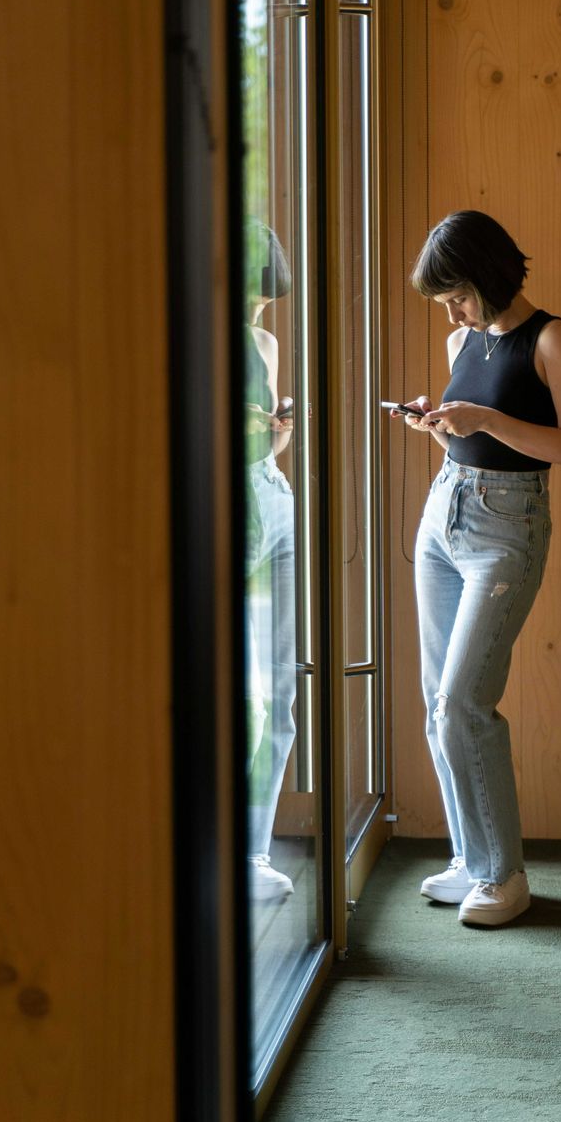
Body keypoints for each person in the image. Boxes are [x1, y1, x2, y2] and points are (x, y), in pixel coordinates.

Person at [397, 210, 561, 927]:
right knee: (436, 704)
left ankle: (504, 877)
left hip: (507, 529)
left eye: (456, 294)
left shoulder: (552, 339)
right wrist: (442, 421)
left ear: (485, 274)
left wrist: (483, 420)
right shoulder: (464, 336)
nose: (450, 312)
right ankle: (470, 860)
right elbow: (472, 427)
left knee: (462, 703)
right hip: (443, 515)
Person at [244, 219, 298, 902]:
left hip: (273, 498)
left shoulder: (263, 342)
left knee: (280, 693)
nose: (258, 316)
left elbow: (265, 450)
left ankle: (253, 854)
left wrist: (276, 433)